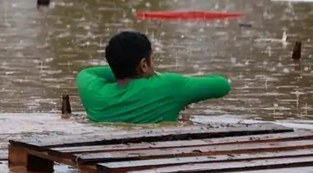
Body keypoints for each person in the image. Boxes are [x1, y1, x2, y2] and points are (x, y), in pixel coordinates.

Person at [75, 31, 231, 124]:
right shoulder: (168, 86)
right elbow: (222, 85)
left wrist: (120, 69)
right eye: (153, 59)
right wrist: (162, 81)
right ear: (144, 64)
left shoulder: (93, 91)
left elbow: (88, 72)